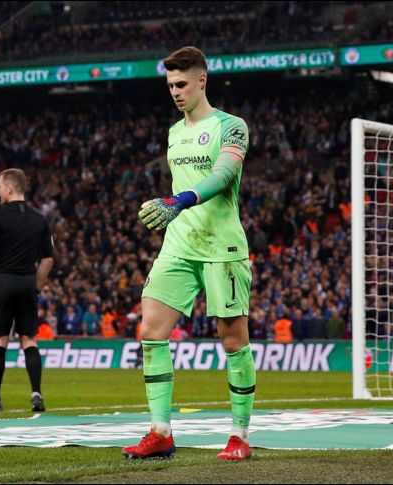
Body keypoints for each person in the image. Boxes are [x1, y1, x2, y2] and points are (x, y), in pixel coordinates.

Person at [123, 46, 254, 461]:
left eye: (181, 84)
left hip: (223, 246)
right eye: (169, 85)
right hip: (178, 245)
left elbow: (224, 173)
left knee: (233, 340)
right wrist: (173, 209)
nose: (175, 92)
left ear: (202, 80)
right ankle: (160, 432)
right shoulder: (174, 132)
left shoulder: (232, 127)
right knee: (150, 331)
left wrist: (181, 199)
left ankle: (239, 436)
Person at [0, 168, 54, 413]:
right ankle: (36, 393)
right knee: (29, 340)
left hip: (3, 282)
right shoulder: (39, 218)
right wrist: (37, 285)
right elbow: (48, 259)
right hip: (27, 282)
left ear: (9, 189)